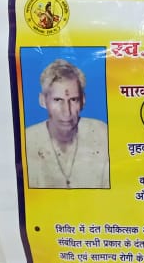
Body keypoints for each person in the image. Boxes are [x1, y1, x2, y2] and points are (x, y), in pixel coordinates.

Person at [26, 59, 109, 189]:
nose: (67, 112)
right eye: (57, 100)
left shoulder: (102, 134)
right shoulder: (27, 140)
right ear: (42, 101)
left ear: (83, 101)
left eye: (73, 100)